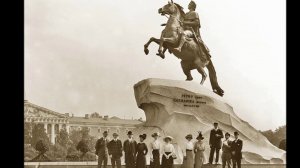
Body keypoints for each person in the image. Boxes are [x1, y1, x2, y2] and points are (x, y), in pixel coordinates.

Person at [173, 0, 209, 64]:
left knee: (184, 34)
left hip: (191, 31)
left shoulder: (194, 13)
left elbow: (196, 23)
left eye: (189, 4)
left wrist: (185, 22)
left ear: (192, 6)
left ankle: (179, 47)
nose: (188, 5)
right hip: (184, 29)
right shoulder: (186, 14)